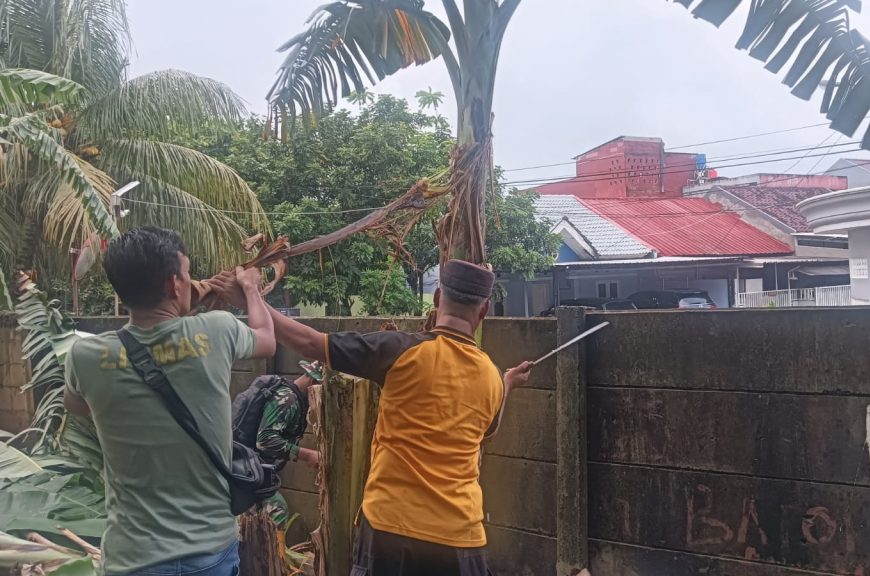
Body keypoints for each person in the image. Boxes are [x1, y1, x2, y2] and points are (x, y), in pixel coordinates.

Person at [213, 259, 533, 576]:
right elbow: (488, 431)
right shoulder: (490, 376)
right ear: (485, 310)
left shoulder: (400, 350)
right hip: (462, 539)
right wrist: (507, 384)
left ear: (437, 299)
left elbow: (311, 342)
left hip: (391, 528)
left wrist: (250, 297)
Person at [63, 227, 276, 576]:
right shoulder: (217, 331)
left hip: (132, 559)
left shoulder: (86, 356)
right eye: (187, 273)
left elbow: (77, 406)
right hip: (210, 553)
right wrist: (251, 289)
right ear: (171, 285)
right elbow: (267, 340)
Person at [237, 361, 323, 531]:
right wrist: (307, 455)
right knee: (277, 510)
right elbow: (265, 441)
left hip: (251, 469)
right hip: (245, 469)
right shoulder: (288, 400)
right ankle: (271, 556)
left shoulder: (291, 397)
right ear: (314, 384)